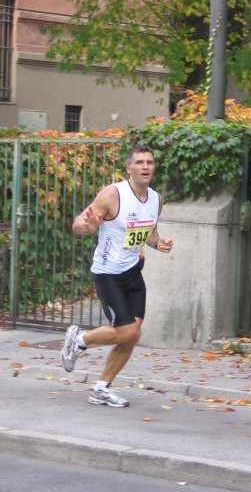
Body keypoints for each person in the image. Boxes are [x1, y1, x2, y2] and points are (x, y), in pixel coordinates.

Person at [61, 145, 173, 407]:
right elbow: (81, 222)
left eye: (150, 162)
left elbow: (149, 233)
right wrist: (85, 226)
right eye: (140, 162)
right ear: (129, 168)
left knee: (133, 334)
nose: (145, 167)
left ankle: (101, 387)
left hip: (133, 272)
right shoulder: (113, 194)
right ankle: (78, 340)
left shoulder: (156, 200)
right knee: (124, 332)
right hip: (107, 273)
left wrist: (158, 244)